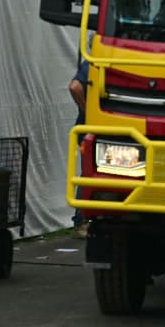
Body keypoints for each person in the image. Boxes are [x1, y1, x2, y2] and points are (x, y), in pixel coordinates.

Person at [69, 59, 89, 239]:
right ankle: (80, 221)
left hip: (87, 129)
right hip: (91, 129)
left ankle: (81, 220)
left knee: (88, 173)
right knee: (88, 173)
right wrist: (88, 112)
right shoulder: (93, 63)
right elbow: (74, 87)